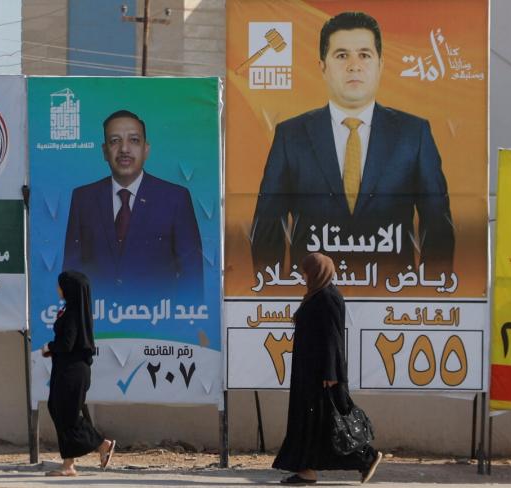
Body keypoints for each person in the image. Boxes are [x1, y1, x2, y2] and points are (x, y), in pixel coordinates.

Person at [251, 11, 454, 284]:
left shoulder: (413, 134)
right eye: (342, 55)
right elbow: (267, 230)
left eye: (364, 55)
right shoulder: (291, 136)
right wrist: (272, 293)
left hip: (393, 294)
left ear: (380, 65)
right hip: (312, 294)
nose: (354, 66)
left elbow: (438, 227)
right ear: (322, 66)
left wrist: (429, 293)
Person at [62, 109, 203, 300]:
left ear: (146, 149)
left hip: (157, 315)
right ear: (104, 151)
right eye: (115, 141)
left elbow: (192, 277)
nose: (124, 149)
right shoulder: (83, 198)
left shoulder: (175, 198)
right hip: (98, 315)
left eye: (134, 140)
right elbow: (71, 274)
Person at [273, 253, 382, 484]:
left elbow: (333, 337)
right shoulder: (316, 295)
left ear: (317, 272)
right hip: (309, 373)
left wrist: (331, 373)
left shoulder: (328, 297)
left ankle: (367, 457)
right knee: (312, 424)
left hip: (322, 375)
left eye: (306, 271)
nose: (303, 276)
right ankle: (307, 470)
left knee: (329, 424)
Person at [41, 271, 116, 476]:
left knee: (68, 414)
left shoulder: (74, 313)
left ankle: (99, 446)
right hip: (66, 369)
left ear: (69, 289)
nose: (58, 289)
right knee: (60, 411)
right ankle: (71, 463)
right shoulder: (71, 310)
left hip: (72, 372)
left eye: (61, 285)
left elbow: (67, 344)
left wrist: (50, 347)